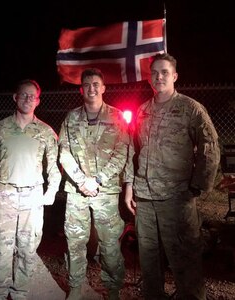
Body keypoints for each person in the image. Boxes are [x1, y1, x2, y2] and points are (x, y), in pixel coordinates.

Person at [124, 53, 221, 300]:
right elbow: (133, 149)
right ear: (150, 78)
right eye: (154, 73)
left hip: (176, 199)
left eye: (164, 72)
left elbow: (210, 147)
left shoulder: (190, 109)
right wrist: (130, 186)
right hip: (145, 200)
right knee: (149, 262)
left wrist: (198, 186)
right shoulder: (143, 111)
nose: (159, 77)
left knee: (184, 261)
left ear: (175, 76)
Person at [0, 79, 62, 299]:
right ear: (15, 97)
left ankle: (20, 293)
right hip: (5, 195)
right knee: (1, 250)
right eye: (23, 95)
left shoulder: (45, 132)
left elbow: (54, 166)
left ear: (38, 101)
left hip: (33, 197)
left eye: (32, 96)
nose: (27, 99)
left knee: (27, 250)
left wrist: (51, 191)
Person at [58, 68, 130, 300]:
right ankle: (76, 287)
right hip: (77, 192)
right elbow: (64, 153)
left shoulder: (117, 117)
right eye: (87, 84)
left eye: (96, 84)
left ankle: (113, 289)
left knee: (109, 244)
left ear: (103, 88)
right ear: (81, 89)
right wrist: (81, 181)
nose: (92, 88)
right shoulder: (71, 118)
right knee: (75, 241)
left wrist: (98, 180)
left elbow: (123, 153)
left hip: (105, 191)